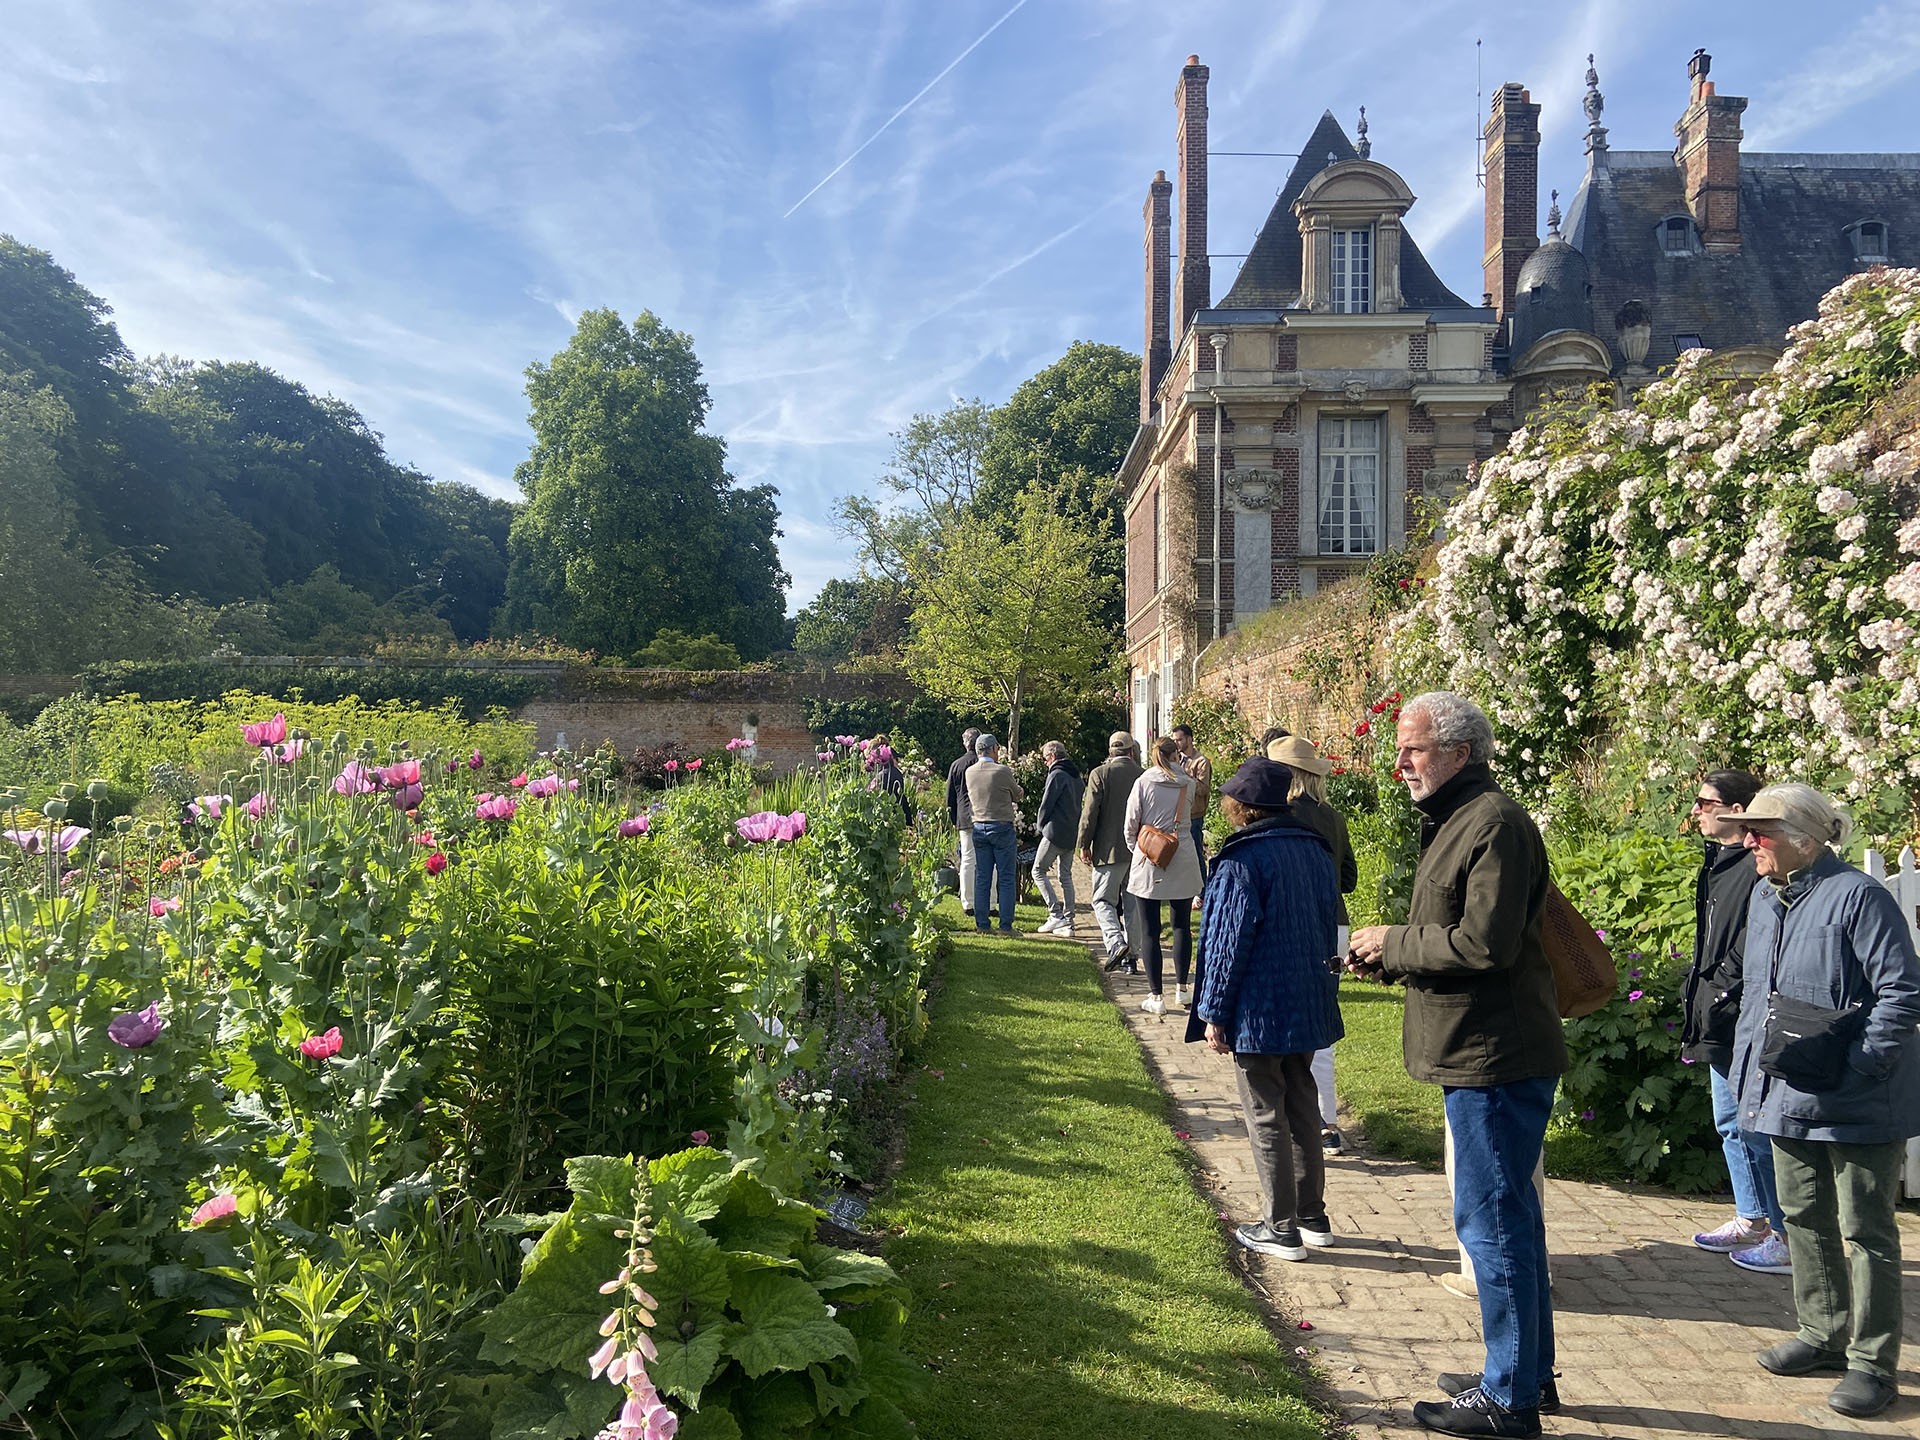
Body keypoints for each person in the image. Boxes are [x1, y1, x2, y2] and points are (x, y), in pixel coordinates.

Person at [1347, 692, 1565, 1439]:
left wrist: (1394, 942)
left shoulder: (1493, 822)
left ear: (1459, 754)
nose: (1400, 762)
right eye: (1402, 749)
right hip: (1480, 1047)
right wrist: (1391, 954)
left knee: (1494, 1223)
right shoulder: (1462, 819)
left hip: (1494, 1054)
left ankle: (1509, 1400)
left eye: (1414, 749)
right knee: (1511, 1220)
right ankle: (1525, 1372)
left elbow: (1483, 945)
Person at [1723, 784, 1920, 1420]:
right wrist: (1752, 1081)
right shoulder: (1764, 895)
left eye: (1762, 832)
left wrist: (1860, 1065)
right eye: (1747, 830)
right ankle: (1822, 1335)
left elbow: (1901, 993)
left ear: (1805, 839)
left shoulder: (1857, 896)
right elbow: (1760, 999)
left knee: (1867, 1231)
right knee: (1801, 1218)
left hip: (1859, 1099)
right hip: (1786, 1091)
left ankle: (1872, 1364)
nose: (1748, 841)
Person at [1188, 757, 1344, 1260]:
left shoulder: (1243, 860)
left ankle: (1280, 1226)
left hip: (1258, 1005)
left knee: (1265, 1112)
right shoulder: (1316, 851)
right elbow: (1327, 926)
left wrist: (1214, 1011)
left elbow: (1227, 943)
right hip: (1306, 996)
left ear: (1242, 807)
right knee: (1302, 1102)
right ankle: (1310, 1214)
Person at [1678, 770, 1783, 1269]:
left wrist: (1722, 988)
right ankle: (1752, 1216)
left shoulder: (1756, 867)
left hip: (1741, 1012)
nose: (1696, 810)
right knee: (1729, 1121)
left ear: (1738, 811)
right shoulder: (1722, 860)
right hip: (1719, 1010)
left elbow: (1751, 938)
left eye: (1706, 802)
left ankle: (1782, 1234)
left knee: (1754, 1124)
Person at [1268, 735, 1357, 1154]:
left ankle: (1292, 1118)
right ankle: (1326, 1121)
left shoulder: (1277, 815)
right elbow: (1350, 879)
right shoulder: (1332, 818)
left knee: (1283, 1024)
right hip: (1333, 925)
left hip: (1288, 924)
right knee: (1321, 1025)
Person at [1124, 736, 1205, 1015]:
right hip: (1182, 853)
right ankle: (1182, 989)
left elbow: (1131, 824)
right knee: (1181, 924)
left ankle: (1156, 995)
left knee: (1150, 930)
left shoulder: (1143, 782)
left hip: (1149, 857)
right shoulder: (1188, 783)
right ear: (1176, 756)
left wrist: (1142, 850)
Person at [1080, 732, 1145, 969]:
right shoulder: (1143, 775)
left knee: (1102, 900)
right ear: (1131, 751)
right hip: (1138, 850)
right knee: (1132, 903)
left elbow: (1090, 813)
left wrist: (1084, 844)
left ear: (1110, 752)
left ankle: (1115, 941)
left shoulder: (1100, 774)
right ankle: (1133, 957)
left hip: (1108, 850)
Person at [964, 733, 1024, 933]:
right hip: (1001, 826)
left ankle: (982, 924)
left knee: (982, 876)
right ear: (993, 749)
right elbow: (1017, 794)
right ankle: (1005, 926)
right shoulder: (1002, 771)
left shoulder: (970, 772)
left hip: (979, 826)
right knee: (1006, 877)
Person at [1032, 741, 1084, 937]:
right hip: (1071, 832)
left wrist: (1040, 826)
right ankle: (1069, 921)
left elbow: (1046, 804)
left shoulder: (1056, 775)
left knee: (1038, 871)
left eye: (1045, 759)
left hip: (1054, 832)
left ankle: (1055, 914)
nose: (1045, 763)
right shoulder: (1076, 775)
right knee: (1066, 876)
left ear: (1052, 757)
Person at [945, 728, 982, 915]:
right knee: (987, 862)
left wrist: (954, 819)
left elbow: (949, 797)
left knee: (967, 860)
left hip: (964, 816)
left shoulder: (957, 765)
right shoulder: (983, 763)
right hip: (984, 816)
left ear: (965, 744)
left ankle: (968, 902)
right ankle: (990, 901)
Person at [1170, 723, 1213, 879]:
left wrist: (1185, 778)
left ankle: (1202, 889)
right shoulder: (1178, 760)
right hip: (1179, 813)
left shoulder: (1201, 761)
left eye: (1179, 740)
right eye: (1174, 740)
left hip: (1194, 814)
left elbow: (1203, 789)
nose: (1176, 743)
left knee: (1195, 852)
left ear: (1189, 739)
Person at [866, 736, 913, 822]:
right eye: (896, 759)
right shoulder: (894, 774)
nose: (898, 762)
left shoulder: (881, 776)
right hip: (897, 820)